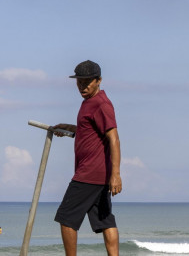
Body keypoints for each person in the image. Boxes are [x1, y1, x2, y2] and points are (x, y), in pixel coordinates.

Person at [53, 60, 123, 256]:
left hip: (89, 173)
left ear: (98, 80)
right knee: (105, 220)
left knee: (66, 218)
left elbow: (114, 138)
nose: (82, 87)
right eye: (79, 82)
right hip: (99, 175)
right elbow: (91, 131)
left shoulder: (101, 104)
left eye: (87, 82)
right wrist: (70, 128)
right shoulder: (89, 103)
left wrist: (116, 174)